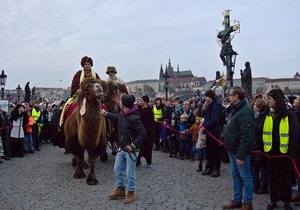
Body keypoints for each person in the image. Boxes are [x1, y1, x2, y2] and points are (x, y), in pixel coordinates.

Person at [102, 94, 147, 204]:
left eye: (120, 101)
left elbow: (143, 133)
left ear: (125, 104)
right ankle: (120, 189)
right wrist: (105, 113)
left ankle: (130, 193)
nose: (119, 102)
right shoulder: (122, 114)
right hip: (121, 148)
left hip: (131, 150)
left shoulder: (134, 118)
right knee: (117, 170)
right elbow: (116, 117)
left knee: (130, 172)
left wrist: (133, 146)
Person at [261, 89, 300, 210]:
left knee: (286, 179)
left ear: (276, 100)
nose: (268, 101)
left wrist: (291, 150)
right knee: (273, 178)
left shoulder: (289, 114)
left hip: (285, 153)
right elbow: (262, 130)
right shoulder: (268, 113)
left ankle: (286, 201)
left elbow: (295, 132)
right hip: (271, 152)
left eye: (270, 99)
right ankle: (273, 200)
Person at [223, 87, 255, 210]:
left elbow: (247, 135)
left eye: (230, 95)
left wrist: (241, 155)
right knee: (236, 175)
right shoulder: (236, 109)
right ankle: (237, 199)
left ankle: (248, 202)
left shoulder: (245, 111)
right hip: (232, 149)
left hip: (240, 151)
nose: (229, 97)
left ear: (237, 96)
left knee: (245, 176)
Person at [59, 56, 100, 127]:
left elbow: (99, 85)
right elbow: (74, 85)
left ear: (91, 65)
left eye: (88, 64)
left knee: (104, 107)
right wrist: (80, 91)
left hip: (93, 97)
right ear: (83, 65)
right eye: (85, 64)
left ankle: (108, 129)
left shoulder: (95, 75)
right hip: (80, 95)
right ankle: (63, 125)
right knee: (67, 107)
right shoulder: (78, 74)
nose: (87, 66)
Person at [201, 90, 223, 177]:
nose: (205, 98)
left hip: (214, 132)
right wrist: (204, 106)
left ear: (210, 97)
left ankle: (216, 169)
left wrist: (205, 126)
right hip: (208, 131)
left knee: (215, 151)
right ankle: (209, 167)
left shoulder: (216, 106)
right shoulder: (208, 105)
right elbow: (205, 116)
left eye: (206, 96)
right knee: (209, 151)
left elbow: (215, 120)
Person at [136, 95, 155, 166]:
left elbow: (150, 123)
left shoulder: (149, 111)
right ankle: (138, 160)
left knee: (147, 146)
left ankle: (148, 160)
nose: (140, 102)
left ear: (145, 102)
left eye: (141, 100)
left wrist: (150, 133)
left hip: (148, 132)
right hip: (140, 131)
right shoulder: (139, 109)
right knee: (139, 146)